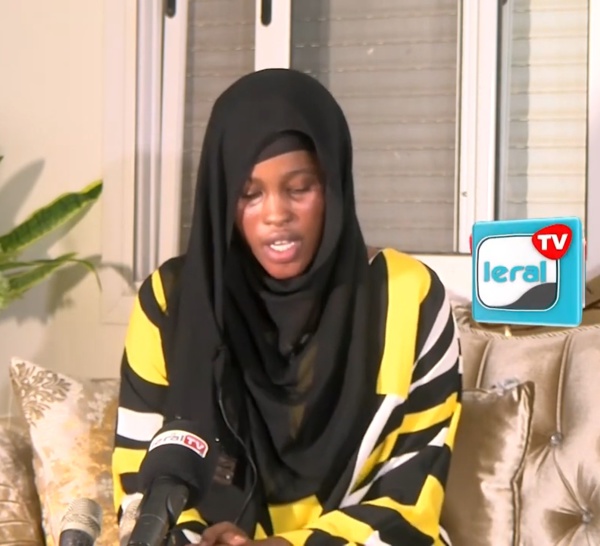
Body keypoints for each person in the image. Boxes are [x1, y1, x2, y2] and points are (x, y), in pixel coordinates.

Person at [112, 68, 462, 546]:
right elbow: (141, 477)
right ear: (222, 198)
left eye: (299, 189)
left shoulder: (410, 297)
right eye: (249, 194)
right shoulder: (169, 302)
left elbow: (414, 489)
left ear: (333, 184)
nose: (276, 214)